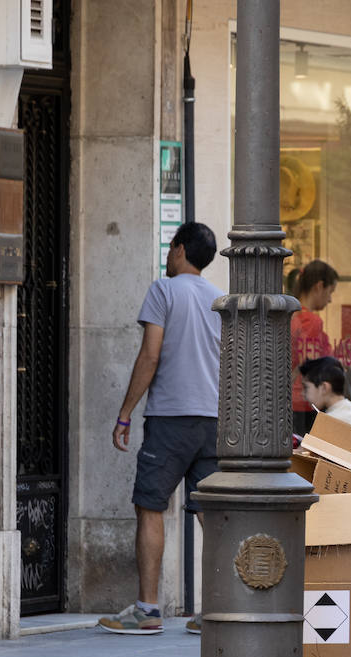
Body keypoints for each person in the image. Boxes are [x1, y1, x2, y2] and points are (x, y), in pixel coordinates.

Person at [99, 222, 222, 635]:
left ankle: (147, 610)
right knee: (213, 514)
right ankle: (216, 611)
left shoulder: (164, 291)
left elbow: (149, 356)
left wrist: (125, 413)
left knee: (150, 505)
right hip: (214, 419)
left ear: (179, 250)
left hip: (171, 418)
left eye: (170, 250)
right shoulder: (219, 299)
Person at [290, 260, 339, 437]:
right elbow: (319, 364)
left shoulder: (290, 317)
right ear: (319, 286)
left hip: (289, 402)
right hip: (307, 403)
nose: (330, 299)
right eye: (330, 291)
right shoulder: (312, 322)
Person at [299, 356, 351, 433]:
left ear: (324, 388)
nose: (302, 394)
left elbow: (306, 445)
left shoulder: (330, 422)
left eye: (306, 387)